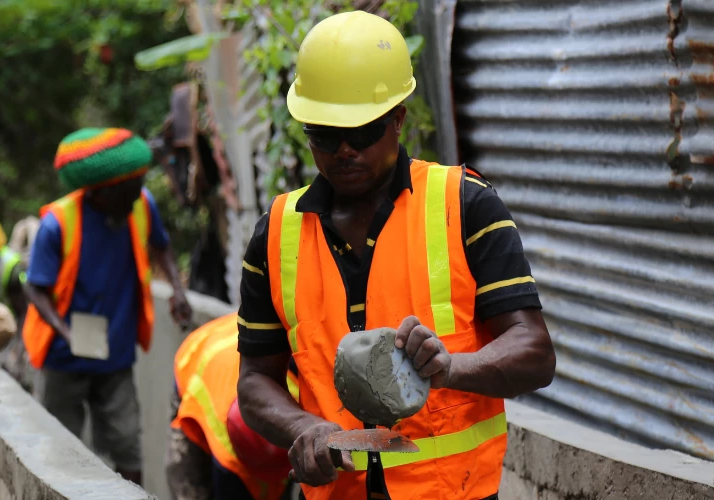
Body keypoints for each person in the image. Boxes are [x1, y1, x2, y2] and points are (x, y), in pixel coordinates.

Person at [235, 11, 557, 500]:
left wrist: (451, 368)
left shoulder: (463, 205)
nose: (344, 150)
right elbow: (255, 380)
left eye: (363, 131)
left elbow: (534, 353)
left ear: (398, 119)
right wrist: (304, 427)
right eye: (325, 135)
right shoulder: (276, 234)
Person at [22, 127, 193, 487]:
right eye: (132, 187)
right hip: (63, 359)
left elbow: (161, 246)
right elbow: (35, 288)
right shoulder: (58, 223)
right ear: (103, 192)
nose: (140, 192)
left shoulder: (140, 205)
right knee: (59, 448)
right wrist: (66, 333)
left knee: (128, 448)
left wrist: (177, 290)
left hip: (115, 356)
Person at [166, 313, 298, 500]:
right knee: (188, 481)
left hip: (236, 346)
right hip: (196, 358)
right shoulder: (224, 436)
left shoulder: (303, 398)